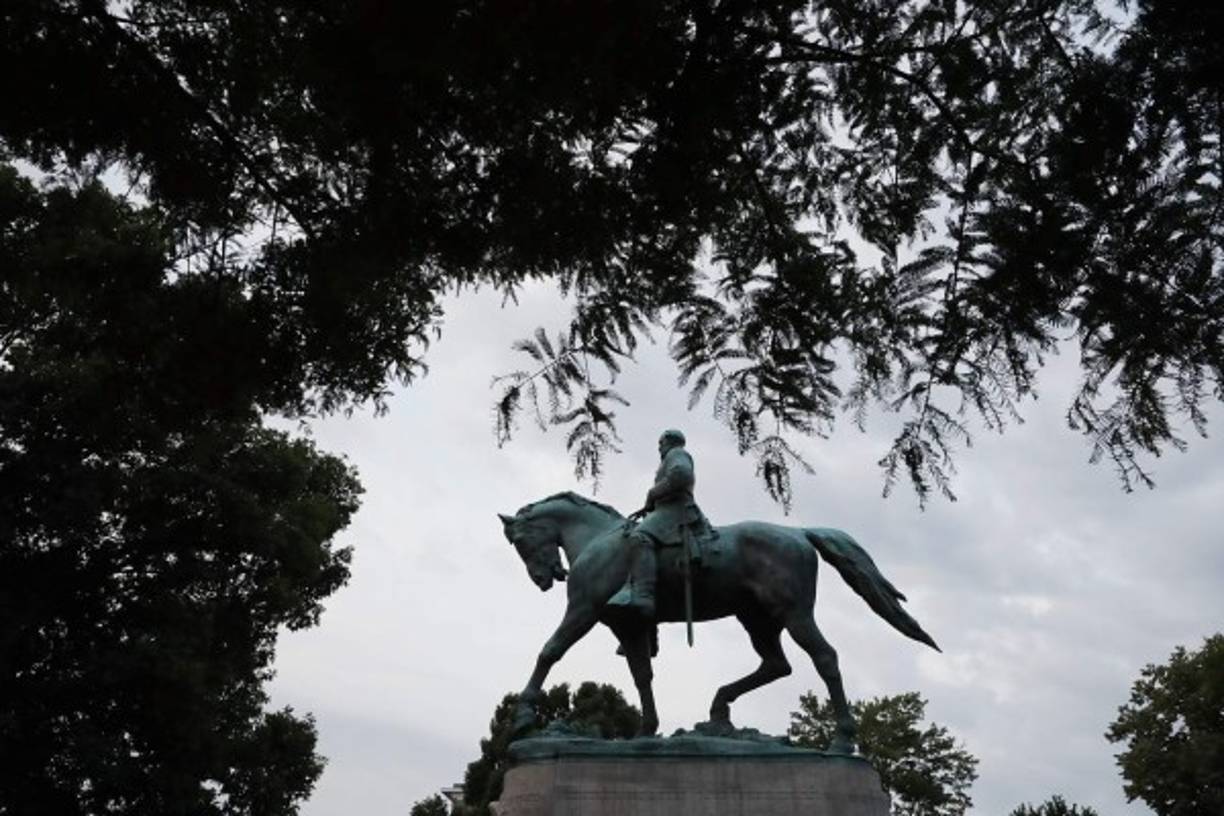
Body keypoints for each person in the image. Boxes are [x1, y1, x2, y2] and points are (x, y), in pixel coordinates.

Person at [625, 429, 713, 619]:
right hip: (666, 509)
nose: (659, 448)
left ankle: (643, 594)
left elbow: (681, 475)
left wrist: (652, 494)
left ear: (670, 442)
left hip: (676, 510)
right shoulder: (672, 457)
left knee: (639, 538)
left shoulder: (677, 454)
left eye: (661, 443)